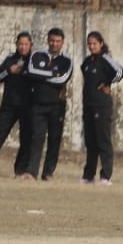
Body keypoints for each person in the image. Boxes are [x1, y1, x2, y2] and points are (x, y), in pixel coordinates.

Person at [23, 27, 73, 181]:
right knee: (36, 138)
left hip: (57, 106)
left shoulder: (67, 61)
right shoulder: (37, 56)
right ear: (48, 40)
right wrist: (52, 74)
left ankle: (48, 172)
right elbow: (31, 72)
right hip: (38, 103)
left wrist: (42, 75)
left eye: (58, 41)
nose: (54, 44)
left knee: (54, 139)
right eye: (52, 40)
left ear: (62, 43)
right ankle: (31, 172)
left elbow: (63, 79)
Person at [80, 31, 123, 186]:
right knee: (90, 141)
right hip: (88, 105)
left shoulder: (105, 59)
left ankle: (105, 176)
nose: (92, 46)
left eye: (95, 43)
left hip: (102, 105)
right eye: (89, 43)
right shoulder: (87, 62)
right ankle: (88, 176)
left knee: (103, 140)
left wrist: (107, 83)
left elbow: (121, 72)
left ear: (100, 44)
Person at [0, 31, 35, 178]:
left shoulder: (35, 60)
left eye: (26, 44)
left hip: (27, 106)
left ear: (31, 45)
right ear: (16, 44)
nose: (22, 47)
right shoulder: (9, 59)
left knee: (26, 138)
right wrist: (10, 70)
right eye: (20, 44)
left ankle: (20, 170)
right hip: (9, 105)